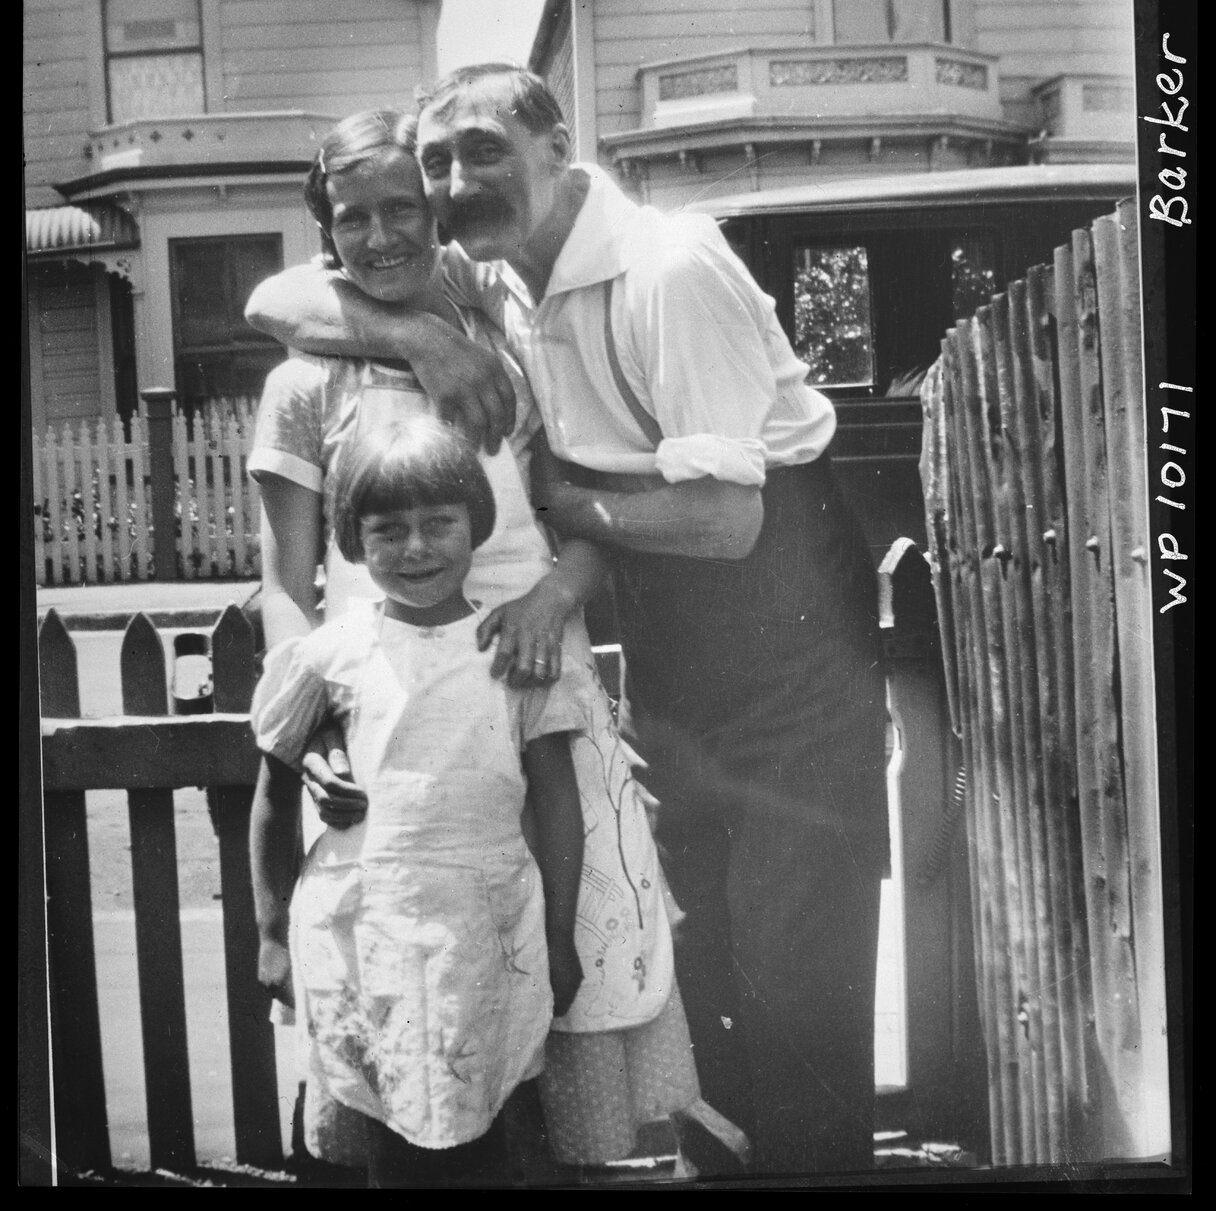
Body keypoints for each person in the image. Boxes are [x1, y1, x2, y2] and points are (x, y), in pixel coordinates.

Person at [248, 63, 891, 1180]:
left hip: (779, 629)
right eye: (438, 161)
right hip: (663, 650)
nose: (452, 184)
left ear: (557, 144)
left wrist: (552, 525)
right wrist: (425, 345)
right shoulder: (494, 286)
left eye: (482, 150)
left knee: (787, 963)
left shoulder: (665, 268)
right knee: (703, 960)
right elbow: (275, 297)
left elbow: (727, 519)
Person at [246, 108, 697, 1175]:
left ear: (440, 215)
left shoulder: (506, 337)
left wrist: (557, 593)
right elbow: (284, 578)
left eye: (406, 209)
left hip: (530, 677)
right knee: (416, 978)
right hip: (387, 706)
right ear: (325, 228)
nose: (382, 236)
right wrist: (314, 723)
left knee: (564, 941)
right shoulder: (307, 381)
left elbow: (579, 508)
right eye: (352, 217)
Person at [251, 415, 587, 1187]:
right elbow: (272, 790)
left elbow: (560, 808)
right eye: (387, 530)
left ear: (477, 523)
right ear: (352, 539)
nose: (415, 548)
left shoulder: (514, 651)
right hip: (365, 927)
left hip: (486, 925)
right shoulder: (329, 655)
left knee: (491, 1119)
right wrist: (270, 931)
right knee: (390, 1132)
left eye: (439, 523)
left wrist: (561, 937)